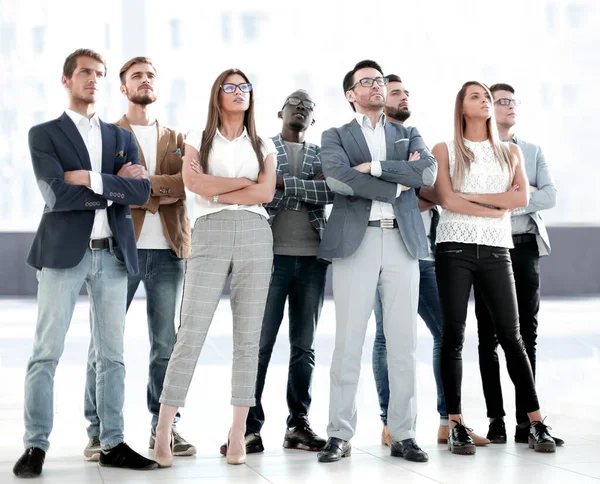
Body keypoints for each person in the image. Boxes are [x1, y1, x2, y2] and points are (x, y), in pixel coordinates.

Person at [13, 49, 155, 478]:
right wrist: (114, 187)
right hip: (62, 255)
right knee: (45, 354)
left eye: (98, 74)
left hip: (111, 254)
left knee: (112, 356)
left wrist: (91, 180)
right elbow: (56, 195)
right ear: (66, 79)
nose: (92, 79)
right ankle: (35, 446)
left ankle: (112, 442)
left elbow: (141, 194)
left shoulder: (120, 136)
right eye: (84, 73)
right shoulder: (44, 134)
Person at [153, 68, 277, 467]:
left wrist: (218, 185)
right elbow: (194, 186)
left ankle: (238, 432)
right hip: (208, 231)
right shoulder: (198, 138)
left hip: (257, 233)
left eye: (245, 87)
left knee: (248, 337)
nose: (239, 92)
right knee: (191, 330)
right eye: (231, 87)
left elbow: (266, 192)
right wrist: (241, 185)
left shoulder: (263, 142)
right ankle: (163, 429)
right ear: (217, 94)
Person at [316, 60, 437, 464]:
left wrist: (378, 168)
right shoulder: (334, 135)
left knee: (404, 345)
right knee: (348, 343)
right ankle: (339, 435)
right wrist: (397, 184)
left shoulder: (407, 133)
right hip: (357, 241)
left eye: (380, 81)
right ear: (351, 94)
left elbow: (428, 173)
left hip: (402, 243)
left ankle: (404, 434)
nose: (376, 86)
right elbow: (337, 177)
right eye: (366, 82)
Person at [429, 80, 557, 455]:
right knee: (453, 336)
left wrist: (467, 197)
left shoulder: (510, 152)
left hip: (497, 249)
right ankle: (455, 425)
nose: (484, 100)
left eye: (487, 96)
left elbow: (518, 199)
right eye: (476, 96)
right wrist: (492, 204)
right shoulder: (444, 149)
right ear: (461, 107)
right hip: (454, 248)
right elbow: (446, 199)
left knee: (512, 337)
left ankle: (535, 424)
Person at [83, 56, 195, 462]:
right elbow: (106, 185)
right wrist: (150, 191)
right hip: (118, 250)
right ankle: (97, 432)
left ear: (156, 85)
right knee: (103, 345)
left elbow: (187, 184)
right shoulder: (108, 136)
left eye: (150, 75)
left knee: (166, 345)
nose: (144, 81)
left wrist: (142, 185)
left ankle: (165, 428)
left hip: (169, 252)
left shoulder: (180, 138)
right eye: (136, 77)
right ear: (123, 87)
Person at [233, 90, 332, 454]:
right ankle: (248, 426)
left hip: (312, 260)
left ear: (313, 119)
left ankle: (298, 425)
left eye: (309, 106)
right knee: (259, 346)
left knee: (303, 347)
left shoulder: (323, 153)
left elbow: (330, 191)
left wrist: (284, 184)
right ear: (280, 112)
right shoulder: (262, 148)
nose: (302, 108)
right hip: (269, 258)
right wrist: (305, 189)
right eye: (296, 103)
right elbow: (261, 194)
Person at [475, 83, 561, 446]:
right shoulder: (475, 151)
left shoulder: (532, 149)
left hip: (524, 246)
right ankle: (496, 419)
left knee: (528, 333)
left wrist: (511, 203)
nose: (510, 106)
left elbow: (550, 195)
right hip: (489, 247)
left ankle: (528, 421)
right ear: (487, 108)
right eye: (502, 101)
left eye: (513, 101)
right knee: (488, 336)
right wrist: (513, 199)